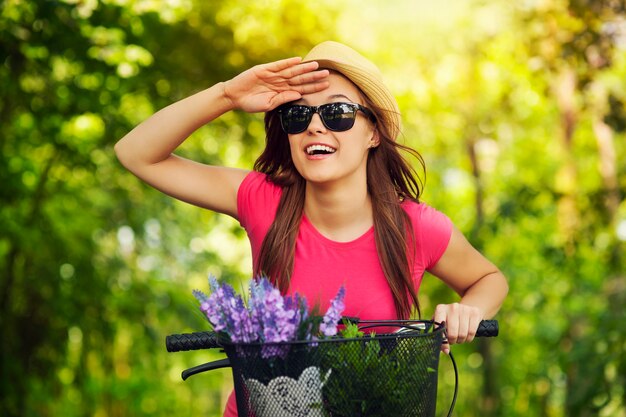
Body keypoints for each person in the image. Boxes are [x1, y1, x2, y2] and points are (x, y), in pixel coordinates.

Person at [115, 41, 508, 416]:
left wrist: (467, 312)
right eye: (298, 115)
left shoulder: (416, 227)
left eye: (337, 113)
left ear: (373, 132)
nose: (315, 127)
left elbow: (490, 279)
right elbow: (136, 154)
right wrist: (228, 96)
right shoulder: (262, 201)